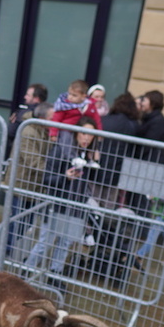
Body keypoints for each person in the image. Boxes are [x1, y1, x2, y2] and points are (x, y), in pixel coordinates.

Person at [25, 116, 101, 287]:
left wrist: (95, 161)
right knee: (46, 240)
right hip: (56, 205)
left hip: (76, 206)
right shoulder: (61, 150)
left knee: (65, 243)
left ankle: (55, 275)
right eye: (83, 133)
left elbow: (96, 180)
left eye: (91, 135)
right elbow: (47, 178)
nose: (87, 138)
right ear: (76, 133)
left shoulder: (88, 154)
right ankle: (27, 271)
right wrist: (65, 177)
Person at [6, 101, 54, 257]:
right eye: (53, 118)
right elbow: (34, 162)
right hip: (22, 185)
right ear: (42, 118)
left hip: (34, 187)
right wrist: (56, 172)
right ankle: (5, 253)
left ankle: (13, 251)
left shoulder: (46, 132)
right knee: (16, 223)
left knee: (26, 223)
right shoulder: (28, 132)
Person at [92, 92, 140, 207]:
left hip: (98, 166)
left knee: (93, 201)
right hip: (118, 170)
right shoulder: (134, 125)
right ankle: (102, 224)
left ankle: (90, 223)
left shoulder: (104, 120)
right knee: (108, 203)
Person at [6, 83, 48, 156]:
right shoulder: (43, 111)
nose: (25, 97)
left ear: (36, 98)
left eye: (28, 95)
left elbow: (11, 132)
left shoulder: (32, 113)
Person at [136, 90, 164, 163]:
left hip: (150, 162)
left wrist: (136, 154)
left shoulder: (157, 121)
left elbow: (148, 143)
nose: (142, 103)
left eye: (144, 100)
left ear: (152, 103)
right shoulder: (148, 118)